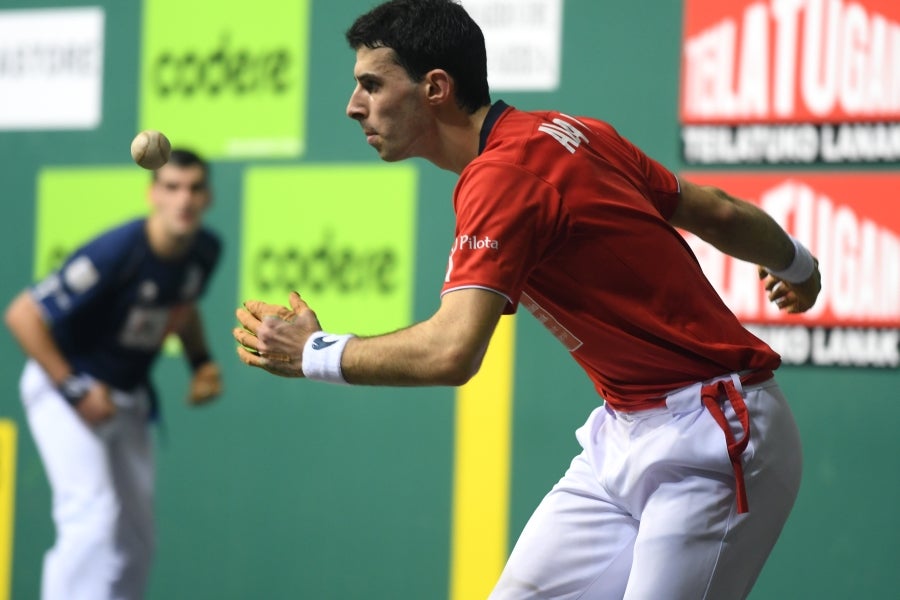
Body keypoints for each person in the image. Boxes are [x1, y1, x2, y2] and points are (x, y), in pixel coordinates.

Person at [232, 1, 822, 598]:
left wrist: (315, 353)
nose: (354, 105)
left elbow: (452, 352)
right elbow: (713, 210)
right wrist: (795, 262)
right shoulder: (573, 131)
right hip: (623, 432)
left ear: (435, 87)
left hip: (714, 435)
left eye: (371, 84)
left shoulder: (502, 176)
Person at [4, 149, 223, 600]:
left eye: (194, 188)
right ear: (153, 195)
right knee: (91, 516)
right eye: (172, 187)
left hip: (126, 395)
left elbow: (181, 309)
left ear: (209, 197)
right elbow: (23, 315)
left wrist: (200, 362)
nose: (184, 199)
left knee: (136, 534)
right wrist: (75, 388)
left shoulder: (204, 251)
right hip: (63, 385)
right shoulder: (116, 251)